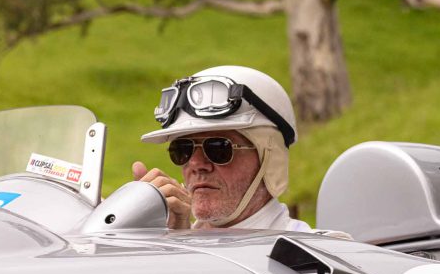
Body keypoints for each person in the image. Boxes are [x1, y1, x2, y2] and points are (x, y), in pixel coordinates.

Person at [133, 65, 312, 231]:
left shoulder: (314, 251)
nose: (195, 163)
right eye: (182, 150)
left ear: (271, 157)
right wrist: (168, 245)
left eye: (218, 148)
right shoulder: (168, 238)